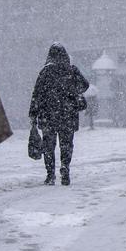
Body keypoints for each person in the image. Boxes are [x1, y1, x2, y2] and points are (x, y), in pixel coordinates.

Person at [28, 43, 90, 186]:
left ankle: (50, 175)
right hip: (68, 114)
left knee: (49, 146)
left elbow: (36, 94)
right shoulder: (71, 70)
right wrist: (73, 91)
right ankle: (65, 168)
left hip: (48, 115)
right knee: (66, 144)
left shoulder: (45, 72)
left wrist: (33, 114)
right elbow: (85, 85)